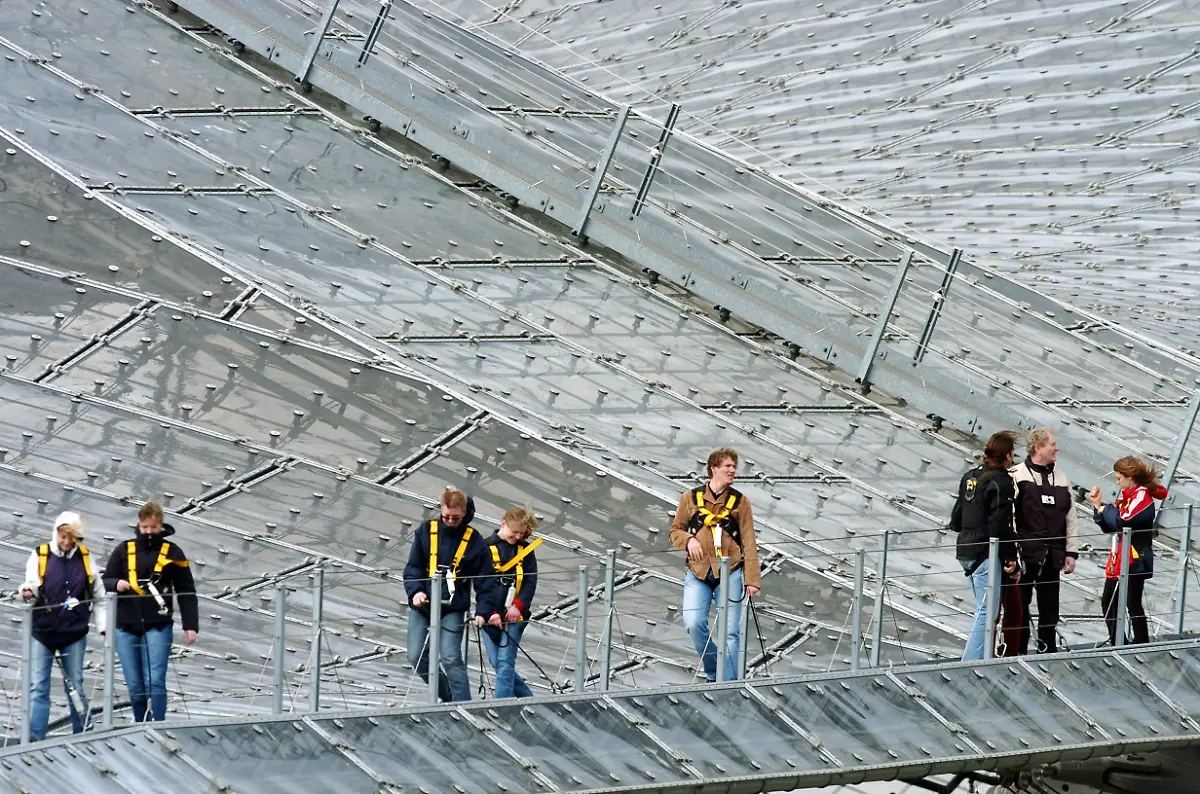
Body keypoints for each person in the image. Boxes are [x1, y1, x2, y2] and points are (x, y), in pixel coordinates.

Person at [669, 447, 762, 682]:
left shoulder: (740, 502)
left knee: (731, 632)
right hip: (698, 571)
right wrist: (688, 540)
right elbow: (675, 531)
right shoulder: (690, 498)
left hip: (730, 572)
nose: (732, 470)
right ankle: (714, 669)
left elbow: (749, 541)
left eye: (733, 466)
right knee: (693, 623)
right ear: (714, 469)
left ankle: (726, 683)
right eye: (728, 466)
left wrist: (752, 580)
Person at [101, 500, 198, 723]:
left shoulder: (173, 552)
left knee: (154, 679)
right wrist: (117, 584)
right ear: (138, 525)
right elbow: (105, 579)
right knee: (135, 683)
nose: (148, 532)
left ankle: (159, 723)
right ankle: (140, 723)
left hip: (158, 623)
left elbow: (186, 591)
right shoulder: (124, 549)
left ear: (160, 526)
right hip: (126, 624)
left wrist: (190, 625)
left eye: (153, 528)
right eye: (144, 528)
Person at [19, 512, 107, 741]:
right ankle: (35, 739)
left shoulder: (86, 559)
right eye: (63, 536)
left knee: (75, 684)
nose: (67, 543)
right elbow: (32, 583)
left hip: (73, 632)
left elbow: (99, 594)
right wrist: (26, 591)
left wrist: (103, 625)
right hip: (42, 632)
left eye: (72, 538)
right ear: (56, 532)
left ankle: (84, 735)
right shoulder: (40, 554)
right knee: (39, 686)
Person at [403, 488, 496, 702]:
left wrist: (483, 611)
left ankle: (463, 704)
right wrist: (415, 591)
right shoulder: (426, 531)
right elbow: (412, 567)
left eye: (456, 517)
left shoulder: (474, 541)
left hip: (453, 608)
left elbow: (485, 580)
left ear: (464, 513)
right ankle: (448, 697)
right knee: (415, 655)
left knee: (451, 657)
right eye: (446, 516)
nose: (450, 521)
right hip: (423, 604)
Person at [950, 431, 1022, 661]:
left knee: (984, 608)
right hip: (984, 550)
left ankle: (980, 657)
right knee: (987, 611)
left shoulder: (970, 476)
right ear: (1008, 455)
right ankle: (971, 663)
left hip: (965, 548)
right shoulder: (1001, 481)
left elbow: (956, 519)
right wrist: (1011, 557)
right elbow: (1000, 524)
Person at [1010, 428, 1078, 654]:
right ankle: (1019, 650)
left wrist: (1071, 552)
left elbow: (1071, 517)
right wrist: (1011, 551)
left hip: (1054, 554)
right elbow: (1009, 517)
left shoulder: (1061, 477)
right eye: (1053, 444)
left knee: (1050, 606)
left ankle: (1047, 649)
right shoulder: (1017, 475)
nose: (1057, 448)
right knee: (1021, 603)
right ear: (1038, 448)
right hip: (1026, 554)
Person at [1090, 456, 1168, 646]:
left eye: (1119, 478)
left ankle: (1139, 641)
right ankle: (1120, 641)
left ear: (1129, 476)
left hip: (1135, 559)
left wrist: (1104, 510)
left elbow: (1123, 520)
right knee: (1111, 601)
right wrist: (1098, 508)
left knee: (1131, 602)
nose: (1117, 482)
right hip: (1120, 559)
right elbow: (1112, 524)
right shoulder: (1128, 496)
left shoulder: (1141, 495)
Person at [476, 506, 541, 699]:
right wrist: (491, 612)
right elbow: (479, 583)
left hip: (515, 616)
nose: (518, 537)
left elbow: (530, 582)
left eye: (521, 534)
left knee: (505, 663)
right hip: (489, 616)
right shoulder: (484, 548)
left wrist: (518, 606)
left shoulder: (526, 552)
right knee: (497, 663)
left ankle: (500, 706)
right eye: (514, 532)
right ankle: (530, 700)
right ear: (503, 524)